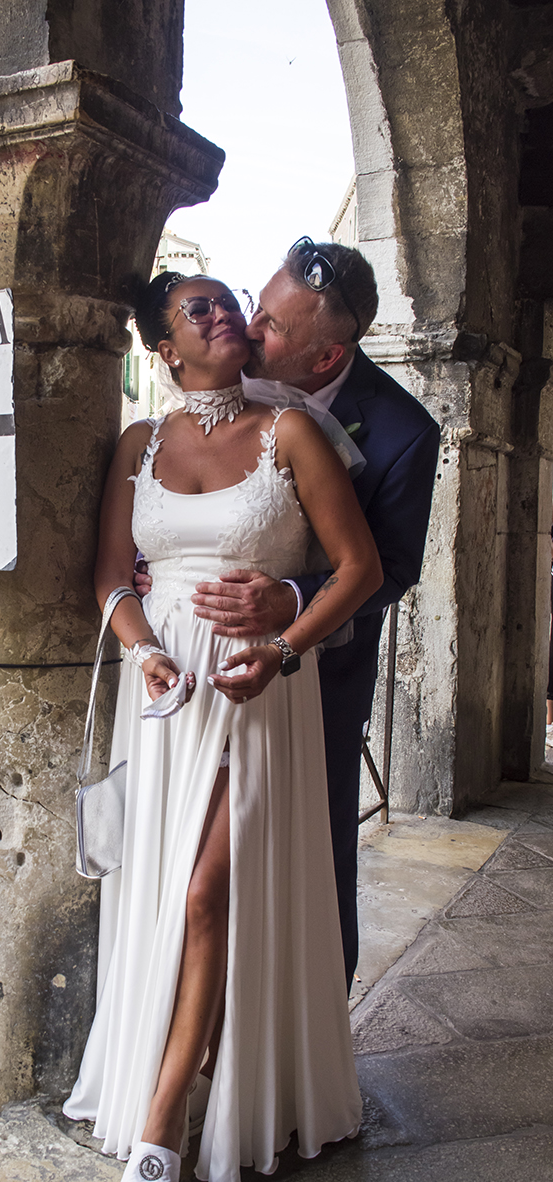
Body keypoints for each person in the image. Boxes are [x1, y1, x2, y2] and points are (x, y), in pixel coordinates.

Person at [63, 272, 383, 1182]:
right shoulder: (137, 442)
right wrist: (145, 649)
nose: (222, 314)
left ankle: (161, 1121)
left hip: (257, 693)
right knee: (169, 889)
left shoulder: (291, 435)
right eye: (197, 310)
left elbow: (360, 569)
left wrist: (286, 646)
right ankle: (188, 1069)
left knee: (208, 891)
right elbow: (112, 579)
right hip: (165, 695)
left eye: (225, 301)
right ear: (165, 350)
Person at [143, 241, 441, 989]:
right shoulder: (220, 371)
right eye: (256, 306)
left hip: (321, 669)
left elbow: (391, 569)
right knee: (195, 859)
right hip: (196, 671)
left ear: (325, 354)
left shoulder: (405, 434)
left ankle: (314, 1039)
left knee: (319, 847)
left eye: (271, 327)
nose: (247, 329)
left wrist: (294, 603)